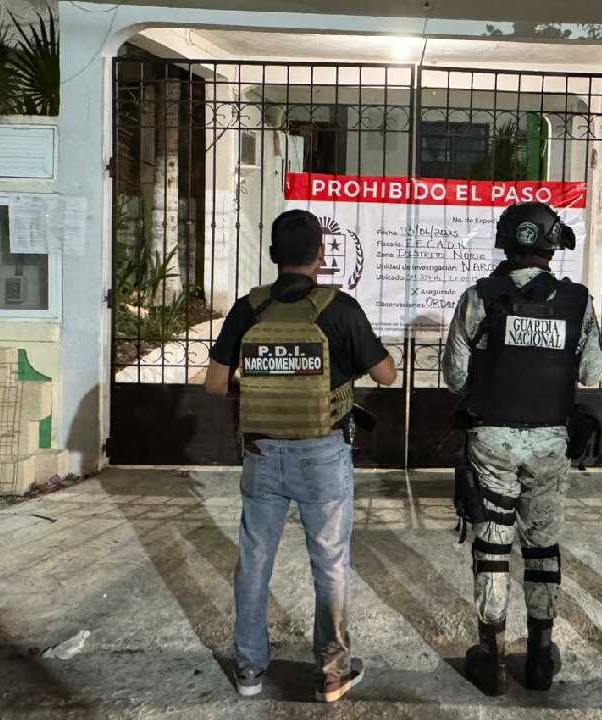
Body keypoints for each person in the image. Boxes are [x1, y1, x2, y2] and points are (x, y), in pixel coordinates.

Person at [204, 209, 397, 703]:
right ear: (321, 255)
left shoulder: (249, 308)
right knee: (329, 562)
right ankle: (333, 672)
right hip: (323, 454)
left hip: (262, 453)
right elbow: (387, 375)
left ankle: (249, 669)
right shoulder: (340, 308)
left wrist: (261, 391)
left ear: (273, 256)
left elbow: (215, 384)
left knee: (254, 561)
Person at [441, 201, 602, 695]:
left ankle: (490, 656)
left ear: (505, 241)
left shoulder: (480, 297)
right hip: (551, 443)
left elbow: (455, 377)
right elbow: (592, 373)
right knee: (542, 546)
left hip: (491, 440)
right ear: (553, 245)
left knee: (493, 546)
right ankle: (539, 656)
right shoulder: (577, 302)